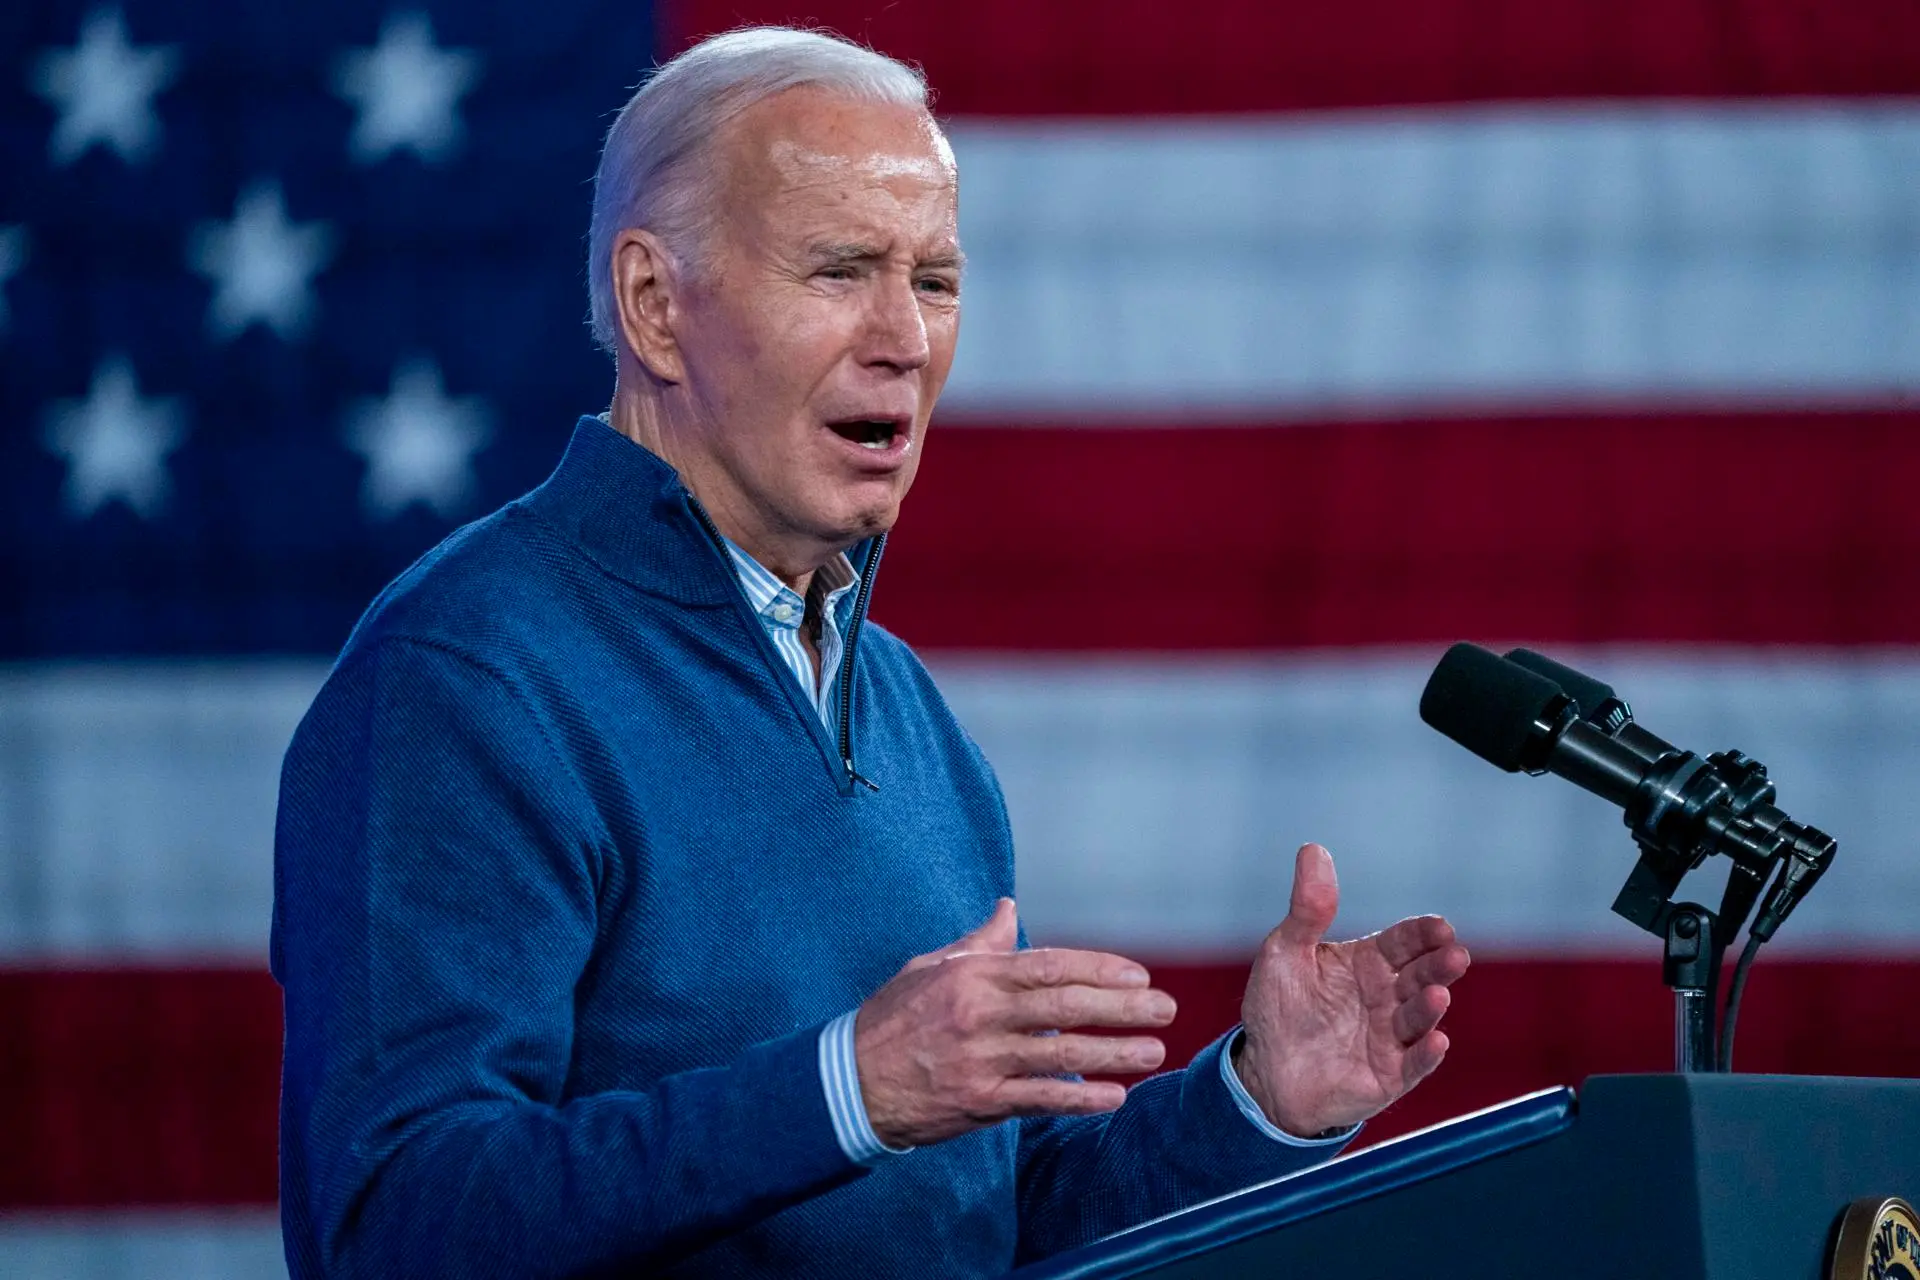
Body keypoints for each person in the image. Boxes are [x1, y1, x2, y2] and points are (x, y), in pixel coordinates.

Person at [272, 26, 1471, 1278]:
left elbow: (985, 1219)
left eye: (937, 280)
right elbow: (395, 1221)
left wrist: (1259, 1106)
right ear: (653, 306)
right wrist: (849, 1084)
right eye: (841, 269)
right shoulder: (465, 677)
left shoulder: (907, 713)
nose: (904, 335)